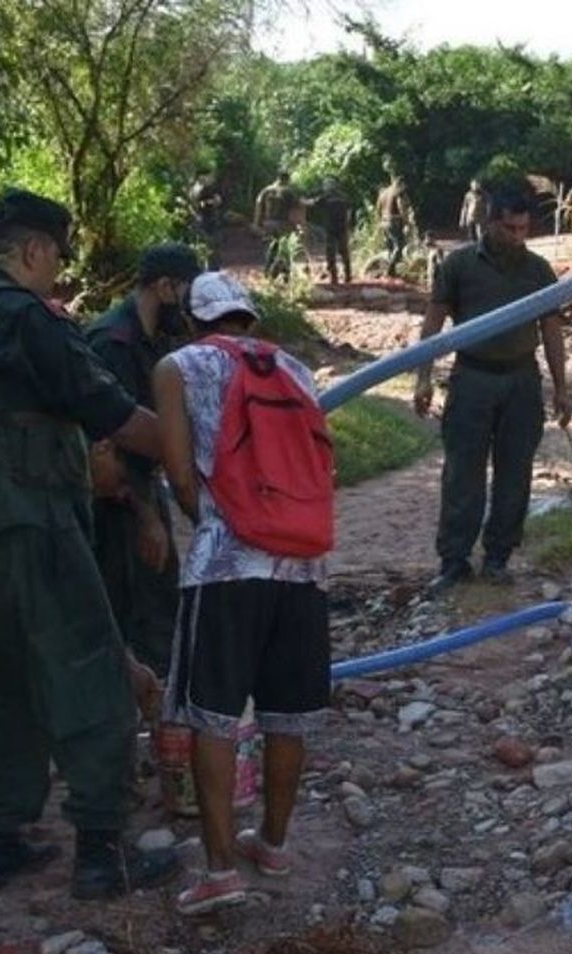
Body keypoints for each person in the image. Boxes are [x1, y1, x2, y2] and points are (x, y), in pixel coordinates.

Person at [0, 188, 180, 899]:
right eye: (56, 259)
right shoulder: (22, 317)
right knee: (86, 671)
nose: (57, 274)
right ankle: (100, 854)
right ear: (33, 250)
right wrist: (199, 453)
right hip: (22, 522)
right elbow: (116, 416)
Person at [151, 271, 332, 915]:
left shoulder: (178, 366)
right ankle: (275, 845)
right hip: (304, 568)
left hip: (226, 567)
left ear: (195, 320)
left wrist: (215, 527)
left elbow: (178, 473)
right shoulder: (296, 370)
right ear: (247, 319)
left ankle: (220, 870)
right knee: (289, 717)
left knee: (212, 718)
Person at [412, 191, 572, 591]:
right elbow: (433, 323)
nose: (517, 237)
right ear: (490, 223)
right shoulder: (459, 265)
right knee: (462, 472)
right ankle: (454, 559)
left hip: (521, 380)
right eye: (509, 228)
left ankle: (498, 556)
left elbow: (551, 331)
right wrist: (422, 376)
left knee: (515, 472)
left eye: (523, 229)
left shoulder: (538, 270)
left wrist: (561, 388)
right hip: (472, 379)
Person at [86, 243, 202, 677]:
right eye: (186, 294)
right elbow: (111, 443)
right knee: (136, 611)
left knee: (161, 603)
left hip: (142, 486)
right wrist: (146, 516)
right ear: (163, 287)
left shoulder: (157, 339)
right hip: (115, 497)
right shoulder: (113, 343)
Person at [254, 170, 299, 280]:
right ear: (287, 179)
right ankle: (285, 276)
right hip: (283, 224)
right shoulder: (288, 192)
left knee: (270, 249)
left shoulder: (266, 190)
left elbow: (258, 205)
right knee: (285, 250)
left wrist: (256, 223)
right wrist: (297, 226)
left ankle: (268, 274)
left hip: (268, 223)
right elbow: (295, 209)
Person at [308, 178, 353, 284]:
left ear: (328, 187)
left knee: (330, 253)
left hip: (330, 228)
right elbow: (349, 211)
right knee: (344, 252)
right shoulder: (343, 196)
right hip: (342, 227)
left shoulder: (326, 197)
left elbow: (312, 203)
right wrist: (348, 224)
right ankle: (348, 276)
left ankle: (334, 278)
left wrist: (300, 201)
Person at [375, 174, 414, 278]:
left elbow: (378, 208)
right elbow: (401, 207)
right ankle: (390, 269)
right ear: (401, 184)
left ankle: (389, 270)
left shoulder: (384, 192)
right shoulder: (398, 192)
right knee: (399, 246)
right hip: (394, 221)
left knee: (390, 247)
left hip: (384, 221)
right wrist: (406, 223)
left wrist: (379, 221)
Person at [458, 178, 489, 243]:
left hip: (481, 217)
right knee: (471, 235)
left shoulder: (484, 195)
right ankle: (472, 247)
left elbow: (488, 205)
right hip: (470, 217)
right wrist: (462, 219)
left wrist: (487, 216)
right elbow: (464, 207)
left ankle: (480, 248)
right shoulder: (468, 195)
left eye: (477, 185)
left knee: (480, 234)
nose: (475, 186)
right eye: (473, 185)